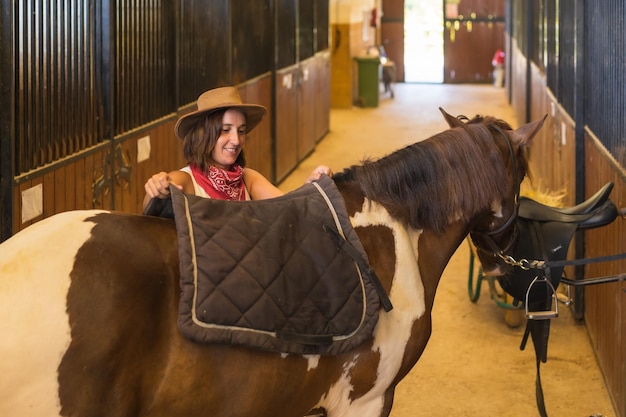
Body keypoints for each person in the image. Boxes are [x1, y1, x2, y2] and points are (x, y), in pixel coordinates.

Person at [143, 86, 331, 209]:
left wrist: (310, 185)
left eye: (241, 131)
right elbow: (151, 205)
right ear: (204, 135)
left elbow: (288, 205)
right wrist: (157, 188)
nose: (236, 140)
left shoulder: (247, 178)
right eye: (225, 130)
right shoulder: (187, 180)